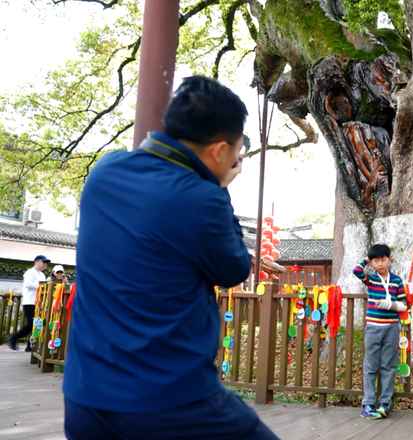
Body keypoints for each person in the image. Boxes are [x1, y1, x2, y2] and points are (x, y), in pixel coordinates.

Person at [63, 76, 278, 440]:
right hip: (168, 403)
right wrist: (219, 188)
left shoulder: (103, 172)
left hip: (85, 398)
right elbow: (234, 268)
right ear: (219, 151)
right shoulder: (202, 198)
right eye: (237, 152)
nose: (237, 160)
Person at [353, 244, 407, 419]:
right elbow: (356, 270)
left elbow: (404, 304)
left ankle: (385, 403)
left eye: (383, 259)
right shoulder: (371, 279)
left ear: (389, 259)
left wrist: (391, 305)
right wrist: (367, 260)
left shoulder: (397, 280)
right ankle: (368, 404)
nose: (380, 263)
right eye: (376, 260)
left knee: (388, 366)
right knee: (370, 366)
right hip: (373, 327)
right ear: (372, 262)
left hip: (391, 327)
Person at [8, 255, 49, 352]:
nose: (45, 265)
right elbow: (28, 284)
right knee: (32, 324)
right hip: (29, 302)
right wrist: (41, 286)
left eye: (46, 263)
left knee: (37, 324)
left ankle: (30, 345)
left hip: (39, 304)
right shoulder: (29, 272)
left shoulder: (42, 275)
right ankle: (14, 338)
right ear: (37, 262)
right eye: (44, 262)